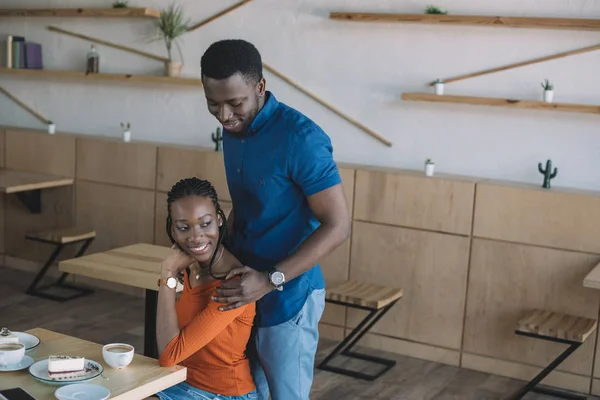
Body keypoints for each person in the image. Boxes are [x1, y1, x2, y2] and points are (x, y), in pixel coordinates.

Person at [200, 39, 352, 400]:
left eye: (235, 103)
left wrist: (271, 280)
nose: (224, 116)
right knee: (245, 391)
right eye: (213, 103)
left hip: (289, 297)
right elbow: (250, 202)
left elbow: (339, 225)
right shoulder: (235, 127)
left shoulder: (301, 138)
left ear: (260, 88)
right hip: (243, 290)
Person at [150, 177, 258, 400]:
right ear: (171, 227)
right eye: (183, 227)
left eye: (205, 223)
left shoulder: (234, 284)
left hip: (224, 394)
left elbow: (169, 354)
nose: (196, 236)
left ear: (219, 219)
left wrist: (167, 276)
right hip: (180, 381)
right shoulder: (193, 265)